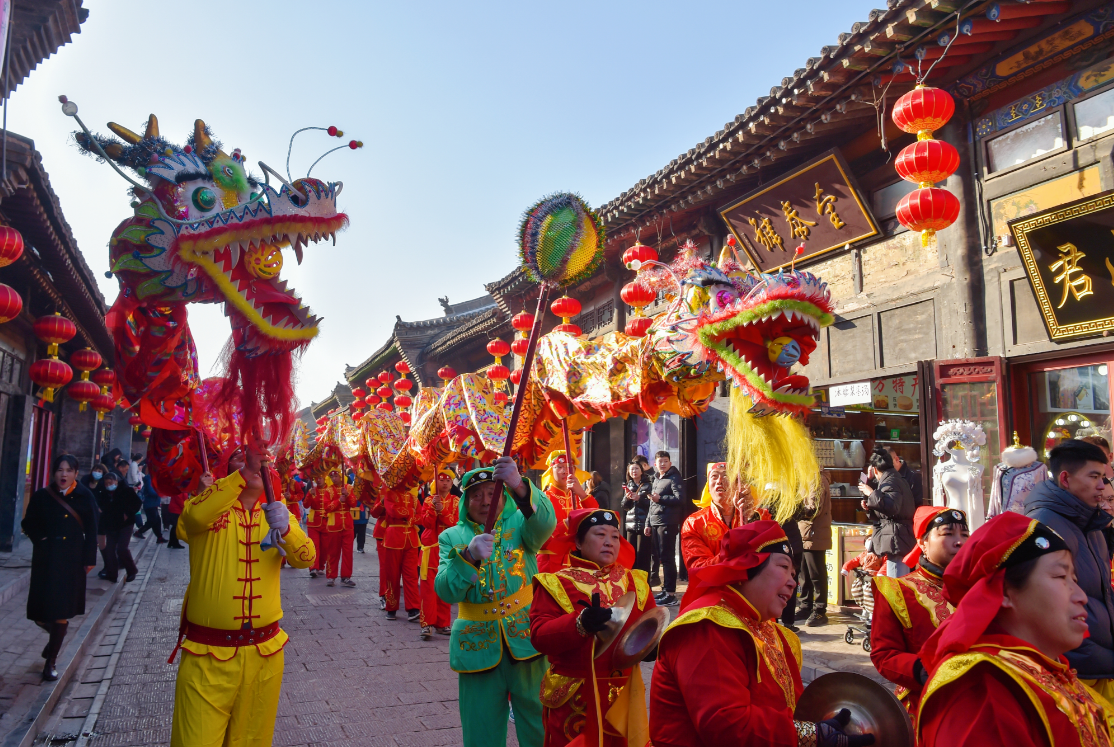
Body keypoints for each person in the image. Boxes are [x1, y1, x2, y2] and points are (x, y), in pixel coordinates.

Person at [649, 521, 874, 746]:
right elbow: (727, 725)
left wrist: (819, 727)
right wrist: (812, 736)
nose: (792, 582)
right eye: (783, 567)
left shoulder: (775, 633)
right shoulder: (707, 627)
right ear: (745, 568)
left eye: (794, 574)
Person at [917, 512, 1114, 746]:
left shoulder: (1050, 670)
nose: (1081, 597)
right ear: (1005, 591)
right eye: (1061, 576)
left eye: (1075, 580)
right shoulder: (983, 689)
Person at [169, 440, 316, 747]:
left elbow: (307, 559)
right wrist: (244, 471)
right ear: (225, 474)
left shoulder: (277, 515)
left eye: (258, 461)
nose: (252, 463)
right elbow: (192, 520)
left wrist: (286, 530)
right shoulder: (205, 510)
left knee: (252, 741)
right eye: (240, 459)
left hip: (264, 654)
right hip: (206, 656)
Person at [434, 458, 556, 747]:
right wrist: (468, 557)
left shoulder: (521, 522)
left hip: (527, 637)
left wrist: (519, 485)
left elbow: (546, 523)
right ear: (465, 502)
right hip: (476, 645)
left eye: (493, 493)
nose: (485, 501)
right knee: (481, 728)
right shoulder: (451, 537)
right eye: (477, 495)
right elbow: (446, 591)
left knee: (539, 720)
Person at [530, 507, 656, 746]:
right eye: (600, 535)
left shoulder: (636, 581)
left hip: (624, 695)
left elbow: (650, 627)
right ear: (578, 541)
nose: (609, 542)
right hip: (576, 697)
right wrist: (580, 623)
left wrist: (651, 647)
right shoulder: (555, 583)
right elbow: (539, 636)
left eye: (615, 536)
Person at [1023, 439, 1114, 685]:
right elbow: (1047, 611)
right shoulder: (1044, 525)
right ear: (1065, 479)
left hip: (1100, 664)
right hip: (1074, 671)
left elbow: (1102, 592)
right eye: (1094, 477)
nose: (1101, 487)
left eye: (1104, 478)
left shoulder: (1091, 522)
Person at [870, 506, 968, 727]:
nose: (959, 541)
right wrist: (925, 670)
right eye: (948, 534)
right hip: (925, 705)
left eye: (964, 535)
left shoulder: (980, 586)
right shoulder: (898, 590)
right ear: (923, 543)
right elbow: (884, 655)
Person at [22, 454, 99, 681]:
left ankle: (51, 661)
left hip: (71, 560)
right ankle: (54, 637)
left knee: (61, 612)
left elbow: (93, 530)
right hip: (46, 560)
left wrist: (89, 559)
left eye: (68, 470)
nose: (63, 474)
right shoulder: (42, 496)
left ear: (76, 473)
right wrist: (41, 539)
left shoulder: (85, 496)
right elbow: (28, 523)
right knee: (40, 613)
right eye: (59, 470)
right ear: (53, 473)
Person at [859, 446, 916, 578]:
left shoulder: (891, 481)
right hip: (897, 535)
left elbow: (892, 507)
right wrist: (870, 507)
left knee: (896, 582)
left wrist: (872, 493)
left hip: (897, 537)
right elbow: (888, 510)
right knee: (896, 579)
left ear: (875, 469)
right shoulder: (895, 479)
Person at [538, 451, 598, 573]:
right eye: (559, 467)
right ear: (551, 471)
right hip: (550, 565)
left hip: (578, 564)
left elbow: (596, 518)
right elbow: (538, 538)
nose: (565, 471)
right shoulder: (542, 499)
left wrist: (581, 493)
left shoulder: (580, 498)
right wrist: (565, 525)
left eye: (569, 467)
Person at [681, 462, 745, 572]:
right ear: (708, 488)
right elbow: (698, 568)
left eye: (726, 476)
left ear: (737, 485)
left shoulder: (756, 516)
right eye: (714, 476)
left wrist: (749, 519)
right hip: (714, 588)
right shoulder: (694, 523)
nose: (719, 481)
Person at [417, 467, 458, 639]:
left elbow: (454, 523)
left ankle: (443, 623)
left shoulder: (456, 501)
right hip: (430, 550)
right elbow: (425, 523)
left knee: (445, 586)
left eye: (448, 480)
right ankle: (427, 624)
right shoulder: (428, 500)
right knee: (428, 589)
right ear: (436, 482)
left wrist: (442, 510)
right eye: (442, 480)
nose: (445, 483)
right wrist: (434, 508)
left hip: (447, 551)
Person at [649, 451, 684, 607]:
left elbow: (680, 499)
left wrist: (661, 499)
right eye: (660, 461)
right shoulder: (656, 478)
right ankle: (665, 590)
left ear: (670, 463)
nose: (662, 464)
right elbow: (652, 504)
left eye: (665, 461)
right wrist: (648, 524)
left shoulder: (674, 477)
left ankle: (671, 593)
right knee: (662, 558)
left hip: (668, 522)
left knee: (668, 558)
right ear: (655, 464)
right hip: (656, 522)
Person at [381, 483, 421, 619]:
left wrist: (411, 514)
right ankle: (391, 607)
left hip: (411, 539)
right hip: (393, 538)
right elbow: (393, 511)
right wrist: (411, 512)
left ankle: (413, 608)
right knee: (392, 575)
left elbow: (420, 516)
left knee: (411, 575)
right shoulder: (389, 494)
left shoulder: (414, 498)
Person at [94, 471, 142, 583]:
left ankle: (132, 570)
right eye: (107, 483)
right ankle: (112, 574)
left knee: (122, 548)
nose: (109, 485)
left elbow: (137, 503)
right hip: (111, 525)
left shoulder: (126, 490)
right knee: (110, 550)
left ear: (116, 481)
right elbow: (101, 506)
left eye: (111, 482)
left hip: (125, 524)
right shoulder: (103, 493)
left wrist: (127, 514)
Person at [797, 473, 832, 627]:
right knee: (804, 573)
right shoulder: (805, 478)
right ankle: (805, 606)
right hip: (805, 533)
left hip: (814, 533)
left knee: (816, 573)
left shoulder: (816, 480)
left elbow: (814, 508)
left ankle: (819, 609)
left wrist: (794, 510)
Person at [318, 469, 357, 588]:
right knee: (333, 551)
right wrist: (338, 501)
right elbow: (327, 508)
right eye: (332, 476)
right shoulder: (328, 490)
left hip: (348, 525)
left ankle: (346, 577)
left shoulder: (349, 488)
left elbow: (354, 503)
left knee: (348, 552)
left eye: (336, 476)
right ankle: (331, 576)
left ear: (341, 476)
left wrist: (347, 495)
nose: (334, 478)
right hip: (334, 524)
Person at [621, 460, 653, 574]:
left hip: (644, 524)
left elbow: (652, 504)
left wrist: (639, 499)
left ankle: (645, 586)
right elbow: (624, 507)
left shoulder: (648, 484)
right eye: (631, 469)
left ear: (641, 470)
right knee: (631, 556)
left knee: (643, 557)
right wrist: (627, 498)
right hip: (630, 525)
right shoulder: (628, 485)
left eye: (636, 469)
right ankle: (633, 585)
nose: (634, 471)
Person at [302, 475, 329, 578]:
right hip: (313, 522)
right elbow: (305, 505)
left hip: (326, 521)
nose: (318, 479)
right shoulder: (312, 490)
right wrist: (309, 495)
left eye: (320, 478)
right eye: (317, 478)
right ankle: (313, 567)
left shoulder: (329, 490)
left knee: (325, 547)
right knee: (314, 545)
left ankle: (321, 566)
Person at [134, 465, 165, 542]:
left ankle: (159, 537)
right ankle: (139, 532)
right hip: (150, 504)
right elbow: (151, 491)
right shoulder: (149, 479)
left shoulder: (153, 479)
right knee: (152, 521)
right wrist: (160, 492)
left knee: (157, 520)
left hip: (153, 503)